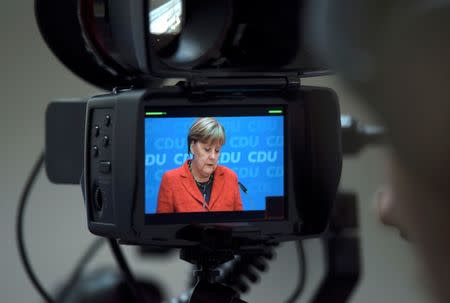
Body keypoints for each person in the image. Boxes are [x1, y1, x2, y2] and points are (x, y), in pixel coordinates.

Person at [156, 117, 243, 213]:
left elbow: (239, 224)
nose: (213, 157)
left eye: (217, 150)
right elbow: (163, 227)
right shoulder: (171, 180)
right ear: (192, 147)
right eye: (207, 149)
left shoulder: (230, 177)